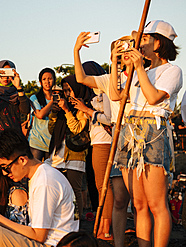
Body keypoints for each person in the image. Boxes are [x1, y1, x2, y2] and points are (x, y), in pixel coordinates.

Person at [109, 20, 182, 247]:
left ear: (159, 43)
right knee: (139, 204)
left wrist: (139, 68)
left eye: (145, 38)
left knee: (156, 203)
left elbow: (153, 98)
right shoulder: (139, 71)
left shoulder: (172, 71)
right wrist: (115, 63)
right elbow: (115, 96)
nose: (139, 43)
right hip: (131, 131)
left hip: (154, 132)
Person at [74, 32, 134, 247]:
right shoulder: (107, 79)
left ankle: (114, 229)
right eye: (117, 50)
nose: (122, 53)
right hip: (117, 139)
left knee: (131, 194)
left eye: (126, 48)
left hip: (126, 138)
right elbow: (81, 78)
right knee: (115, 193)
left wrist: (88, 112)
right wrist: (77, 49)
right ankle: (112, 234)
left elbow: (114, 100)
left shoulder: (135, 78)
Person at [46, 76, 93, 220]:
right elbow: (51, 129)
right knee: (55, 186)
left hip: (76, 153)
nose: (68, 94)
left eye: (70, 90)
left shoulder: (83, 107)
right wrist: (54, 112)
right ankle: (59, 218)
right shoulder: (62, 107)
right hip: (58, 152)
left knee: (75, 189)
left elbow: (77, 128)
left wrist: (67, 111)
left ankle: (76, 220)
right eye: (65, 91)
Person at [28, 68, 56, 161]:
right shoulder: (34, 98)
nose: (47, 82)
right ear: (40, 82)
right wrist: (52, 101)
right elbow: (40, 115)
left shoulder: (60, 98)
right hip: (36, 142)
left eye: (50, 79)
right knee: (34, 171)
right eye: (44, 79)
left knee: (50, 172)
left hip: (52, 142)